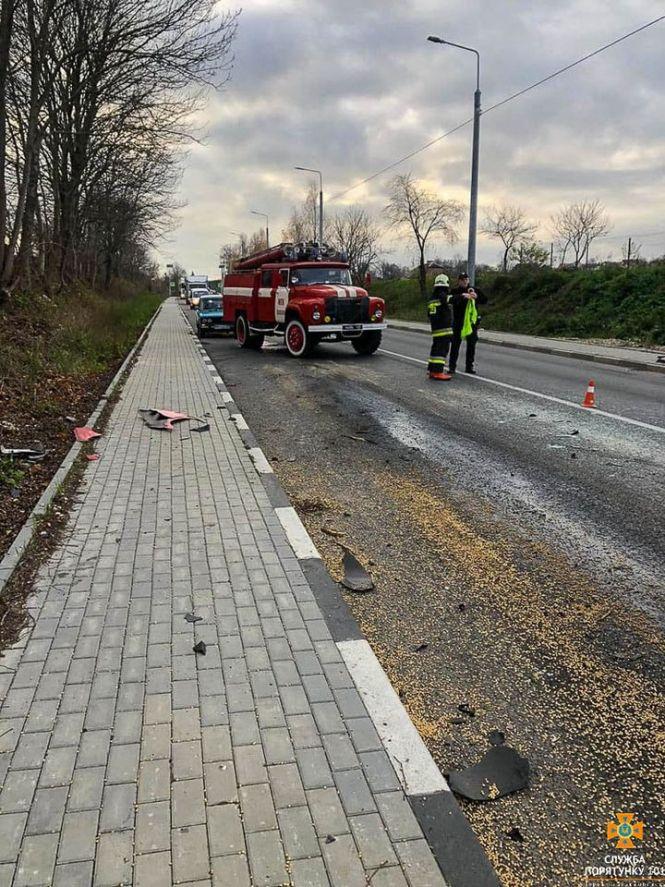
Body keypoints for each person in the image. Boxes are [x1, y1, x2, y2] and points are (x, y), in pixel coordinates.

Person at [449, 272, 487, 375]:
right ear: (459, 281)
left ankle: (469, 366)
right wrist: (462, 296)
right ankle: (452, 367)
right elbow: (450, 299)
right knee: (455, 344)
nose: (465, 281)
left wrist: (476, 297)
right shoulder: (455, 291)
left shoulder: (474, 290)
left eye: (466, 279)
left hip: (471, 323)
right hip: (458, 321)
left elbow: (485, 300)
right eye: (462, 280)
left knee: (471, 344)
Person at [426, 273, 453, 381]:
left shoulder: (432, 297)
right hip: (444, 329)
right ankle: (438, 372)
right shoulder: (442, 295)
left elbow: (429, 314)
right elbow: (449, 299)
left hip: (436, 328)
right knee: (442, 350)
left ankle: (432, 370)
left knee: (436, 348)